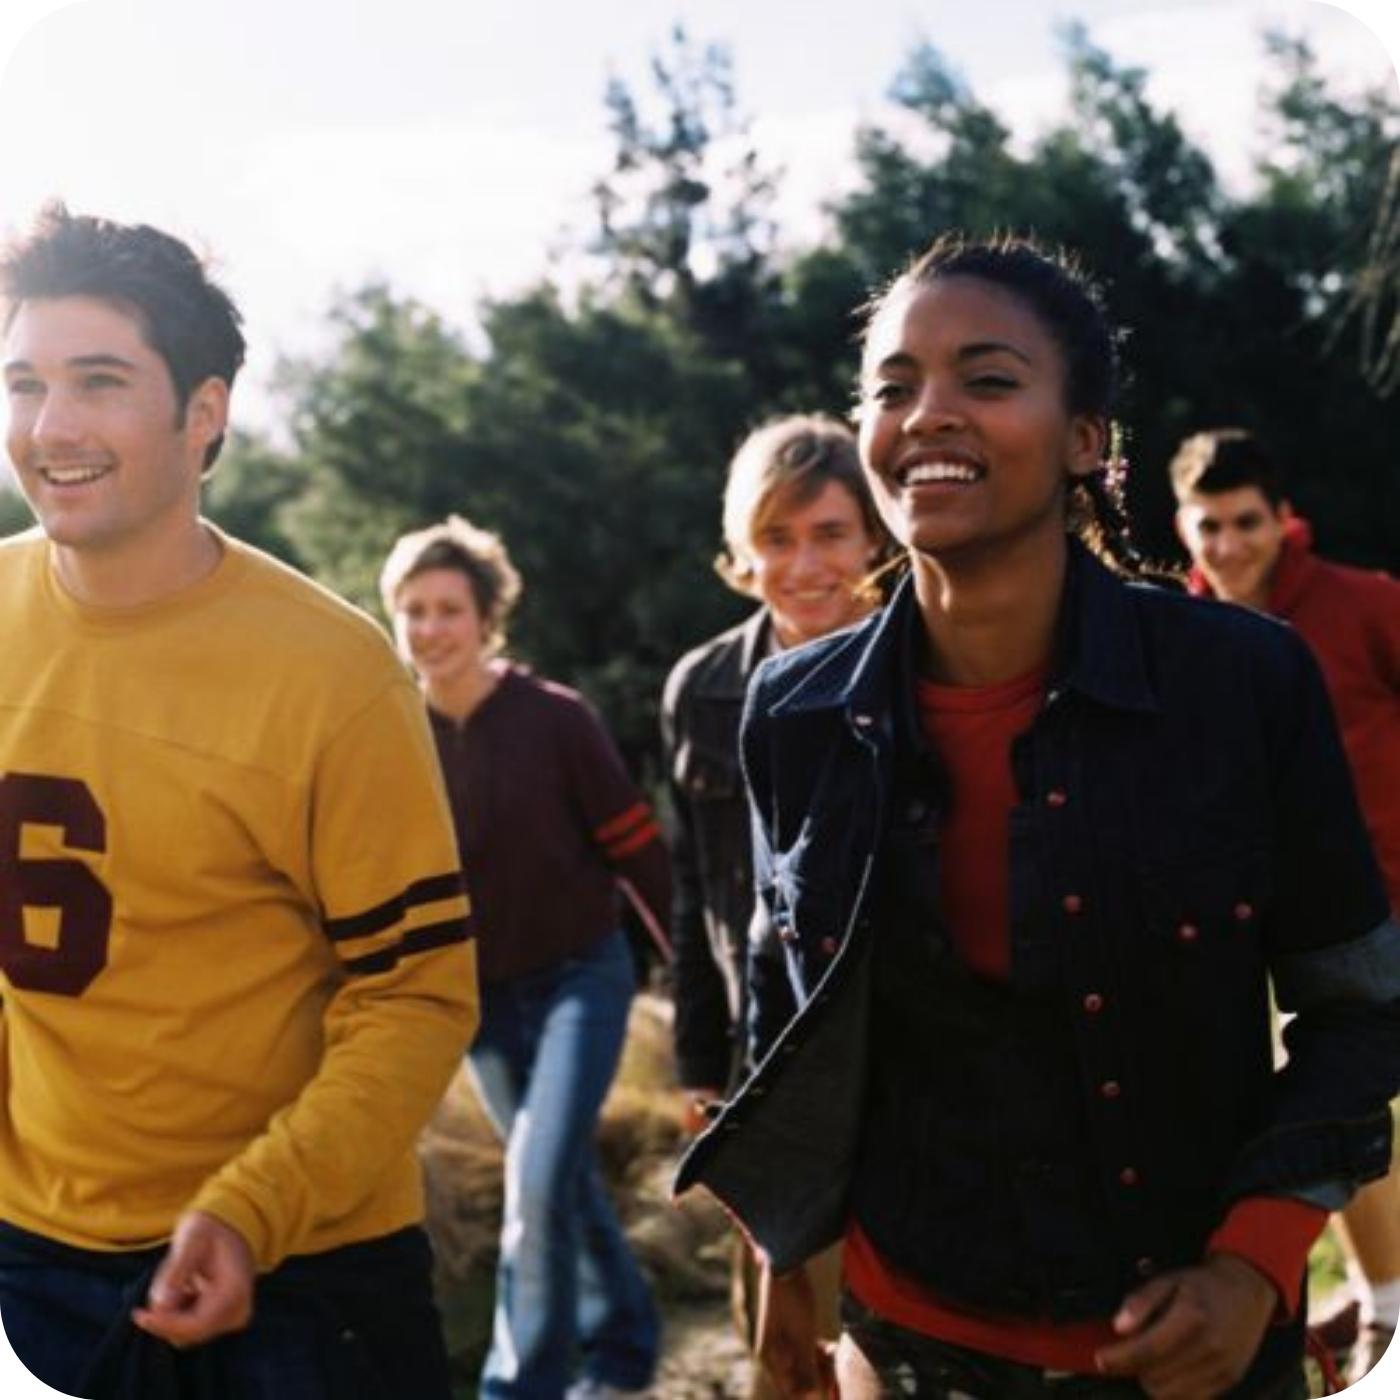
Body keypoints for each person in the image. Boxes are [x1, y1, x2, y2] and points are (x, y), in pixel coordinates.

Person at [675, 233, 1400, 1400]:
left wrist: (1251, 1263)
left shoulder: (1241, 681)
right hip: (903, 1339)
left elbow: (1359, 1010)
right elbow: (796, 1021)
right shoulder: (789, 711)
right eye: (892, 387)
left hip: (1189, 1357)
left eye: (988, 379)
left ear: (1085, 439)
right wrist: (790, 1273)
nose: (928, 416)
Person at [0, 205, 477, 1399]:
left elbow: (417, 994)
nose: (50, 426)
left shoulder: (333, 671)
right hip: (29, 1264)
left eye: (98, 381)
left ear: (202, 411)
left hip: (299, 1278)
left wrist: (252, 1207)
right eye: (22, 382)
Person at [381, 516, 669, 1400]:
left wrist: (696, 986)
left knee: (536, 1180)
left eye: (448, 610)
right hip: (479, 1004)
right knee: (560, 1180)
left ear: (486, 618)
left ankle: (518, 1385)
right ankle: (624, 1347)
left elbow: (639, 852)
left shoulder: (556, 719)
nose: (431, 629)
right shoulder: (390, 734)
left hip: (582, 975)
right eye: (413, 611)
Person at [661, 414, 889, 1398]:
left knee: (880, 1337)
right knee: (781, 1343)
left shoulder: (919, 663)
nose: (804, 564)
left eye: (829, 533)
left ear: (873, 537)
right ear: (738, 553)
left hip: (899, 1048)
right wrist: (700, 1065)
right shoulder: (701, 687)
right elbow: (693, 888)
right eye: (776, 538)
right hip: (763, 1052)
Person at [1172, 426, 1400, 1385]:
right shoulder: (1172, 636)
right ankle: (1383, 1298)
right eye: (1209, 526)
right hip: (1267, 922)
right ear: (1182, 527)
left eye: (1247, 523)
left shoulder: (1365, 603)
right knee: (1319, 1100)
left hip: (1390, 891)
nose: (1229, 546)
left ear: (1282, 518)